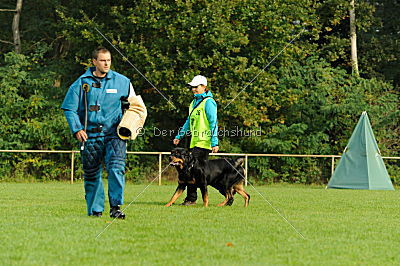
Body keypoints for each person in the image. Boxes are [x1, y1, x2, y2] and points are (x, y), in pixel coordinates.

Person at [61, 47, 136, 218]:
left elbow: (137, 107)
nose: (106, 63)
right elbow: (69, 108)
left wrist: (131, 125)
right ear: (94, 62)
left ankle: (116, 207)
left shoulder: (123, 82)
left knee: (116, 168)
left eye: (109, 60)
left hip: (114, 135)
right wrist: (77, 128)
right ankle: (95, 210)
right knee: (92, 172)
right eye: (103, 60)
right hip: (90, 135)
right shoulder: (81, 83)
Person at [173, 75, 219, 206]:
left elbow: (213, 122)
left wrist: (214, 142)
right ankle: (192, 198)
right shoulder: (193, 103)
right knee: (191, 171)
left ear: (204, 87)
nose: (193, 89)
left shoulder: (209, 102)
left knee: (193, 171)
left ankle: (191, 199)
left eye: (196, 86)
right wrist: (179, 136)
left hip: (204, 143)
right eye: (192, 87)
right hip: (193, 142)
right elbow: (189, 121)